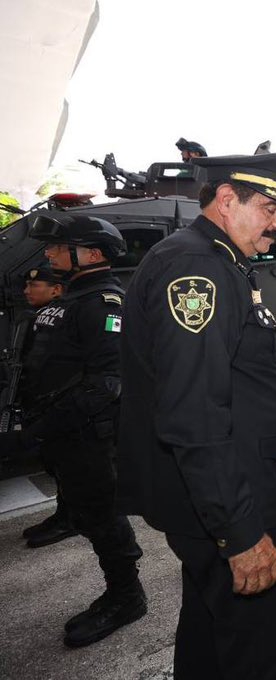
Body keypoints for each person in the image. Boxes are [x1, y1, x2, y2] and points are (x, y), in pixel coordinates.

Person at [117, 152, 276, 680]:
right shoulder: (198, 266)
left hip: (219, 495)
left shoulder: (218, 260)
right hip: (230, 500)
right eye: (271, 208)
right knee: (255, 651)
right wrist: (240, 533)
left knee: (208, 631)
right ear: (227, 200)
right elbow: (194, 413)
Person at [0, 215, 146, 648]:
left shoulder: (103, 302)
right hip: (64, 432)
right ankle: (119, 590)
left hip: (87, 434)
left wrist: (40, 429)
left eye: (60, 248)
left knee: (103, 515)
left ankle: (127, 596)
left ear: (92, 254)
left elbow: (107, 382)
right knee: (86, 511)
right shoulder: (70, 298)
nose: (49, 254)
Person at [17, 264, 79, 549]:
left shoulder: (64, 314)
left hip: (60, 406)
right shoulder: (42, 315)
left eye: (34, 286)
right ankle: (63, 514)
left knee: (68, 467)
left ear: (56, 289)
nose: (27, 291)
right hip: (42, 403)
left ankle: (71, 519)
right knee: (55, 466)